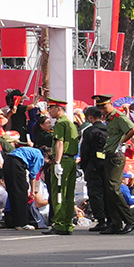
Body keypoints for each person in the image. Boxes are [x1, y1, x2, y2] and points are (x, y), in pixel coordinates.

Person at [101, 95, 134, 234]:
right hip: (110, 155)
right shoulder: (110, 118)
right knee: (109, 190)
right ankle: (116, 223)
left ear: (110, 104)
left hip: (117, 156)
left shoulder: (119, 116)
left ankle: (130, 221)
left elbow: (133, 129)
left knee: (113, 188)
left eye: (104, 106)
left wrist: (122, 142)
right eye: (100, 107)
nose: (102, 110)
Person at [44, 97, 78, 235]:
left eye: (51, 108)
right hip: (71, 161)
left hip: (62, 161)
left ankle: (59, 224)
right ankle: (67, 224)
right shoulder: (70, 123)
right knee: (68, 194)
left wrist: (57, 162)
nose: (49, 111)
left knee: (58, 193)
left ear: (58, 108)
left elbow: (59, 143)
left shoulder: (60, 124)